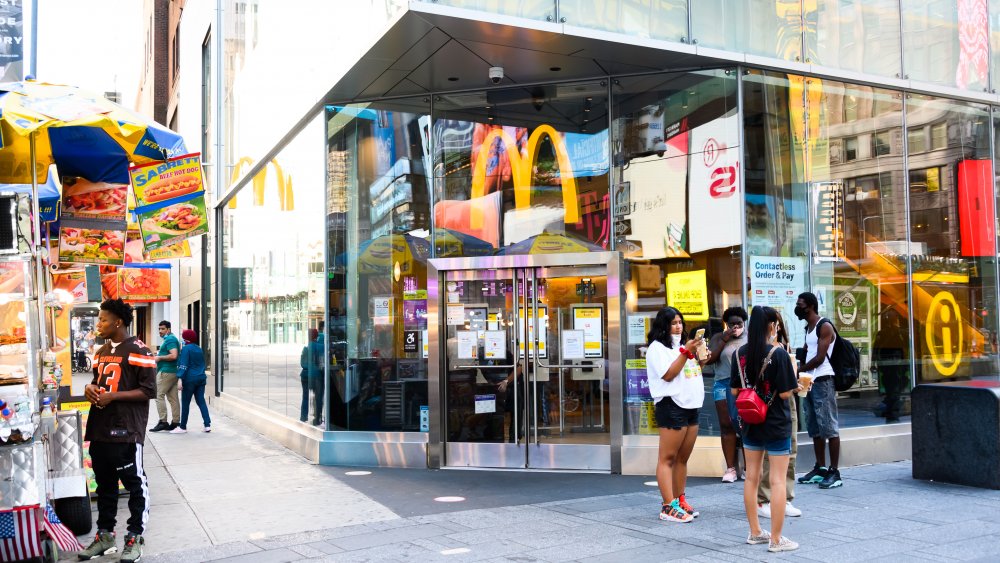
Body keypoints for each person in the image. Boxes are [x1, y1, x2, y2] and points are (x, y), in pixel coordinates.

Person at [79, 299, 155, 562]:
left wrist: (114, 397)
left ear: (118, 321)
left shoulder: (138, 350)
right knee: (105, 484)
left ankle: (135, 537)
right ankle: (105, 535)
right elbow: (96, 382)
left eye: (102, 319)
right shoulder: (100, 352)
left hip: (126, 429)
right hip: (100, 427)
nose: (98, 324)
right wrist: (90, 389)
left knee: (135, 484)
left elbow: (149, 391)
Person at [731, 306, 799, 553]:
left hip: (751, 422)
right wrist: (796, 383)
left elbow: (735, 391)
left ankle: (755, 532)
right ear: (771, 326)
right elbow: (784, 392)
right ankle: (777, 539)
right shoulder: (778, 353)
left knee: (751, 477)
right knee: (778, 480)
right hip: (776, 423)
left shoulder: (739, 353)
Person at [645, 306, 709, 523]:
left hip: (691, 405)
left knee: (683, 458)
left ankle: (680, 499)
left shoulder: (683, 346)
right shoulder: (656, 348)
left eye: (680, 322)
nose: (678, 326)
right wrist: (686, 352)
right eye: (673, 323)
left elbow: (690, 372)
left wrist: (700, 357)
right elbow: (669, 374)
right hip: (671, 405)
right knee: (668, 458)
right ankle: (667, 505)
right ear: (664, 325)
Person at [794, 292, 843, 489]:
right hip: (810, 381)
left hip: (823, 379)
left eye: (801, 304)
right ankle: (820, 467)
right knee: (814, 427)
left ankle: (834, 471)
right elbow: (808, 353)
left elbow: (820, 358)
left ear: (811, 305)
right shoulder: (809, 328)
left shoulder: (825, 326)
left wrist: (798, 369)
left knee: (829, 426)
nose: (798, 307)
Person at [757, 310, 802, 519]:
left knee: (790, 451)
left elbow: (789, 382)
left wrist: (798, 384)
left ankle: (785, 497)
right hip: (769, 404)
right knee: (770, 455)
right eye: (774, 325)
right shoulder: (759, 350)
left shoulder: (785, 348)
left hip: (788, 403)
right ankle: (764, 499)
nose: (776, 329)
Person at [707, 307, 748, 483]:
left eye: (739, 323)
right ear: (726, 324)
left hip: (744, 385)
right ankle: (730, 468)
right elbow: (709, 359)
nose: (736, 327)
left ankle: (749, 467)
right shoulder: (718, 338)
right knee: (726, 425)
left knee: (746, 425)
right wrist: (725, 338)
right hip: (722, 383)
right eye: (732, 324)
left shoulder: (751, 338)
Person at [169, 329, 211, 434]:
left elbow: (183, 365)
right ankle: (207, 425)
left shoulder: (186, 349)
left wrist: (179, 378)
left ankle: (182, 427)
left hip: (189, 379)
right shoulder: (199, 349)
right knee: (201, 401)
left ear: (186, 338)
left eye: (183, 337)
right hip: (201, 377)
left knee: (185, 403)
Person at [873, 308, 908, 423]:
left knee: (891, 389)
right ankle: (893, 412)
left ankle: (891, 411)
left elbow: (875, 350)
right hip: (896, 366)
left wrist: (874, 364)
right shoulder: (900, 333)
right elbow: (905, 350)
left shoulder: (883, 333)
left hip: (887, 366)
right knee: (895, 389)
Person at [150, 320, 181, 432]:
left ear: (168, 329)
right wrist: (159, 353)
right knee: (173, 398)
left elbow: (174, 355)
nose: (160, 331)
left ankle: (163, 421)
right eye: (159, 329)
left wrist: (159, 358)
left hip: (166, 372)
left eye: (163, 329)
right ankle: (176, 422)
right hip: (173, 372)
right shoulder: (170, 339)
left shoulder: (170, 339)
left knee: (158, 395)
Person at [308, 327, 325, 426]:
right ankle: (318, 416)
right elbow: (321, 361)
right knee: (319, 397)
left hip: (311, 375)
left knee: (314, 396)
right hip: (318, 375)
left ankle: (315, 415)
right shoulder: (320, 346)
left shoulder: (309, 346)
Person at [299, 329, 315, 423]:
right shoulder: (316, 347)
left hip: (304, 374)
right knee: (317, 395)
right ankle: (317, 416)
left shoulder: (305, 349)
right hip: (312, 375)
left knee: (305, 396)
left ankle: (303, 416)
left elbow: (302, 363)